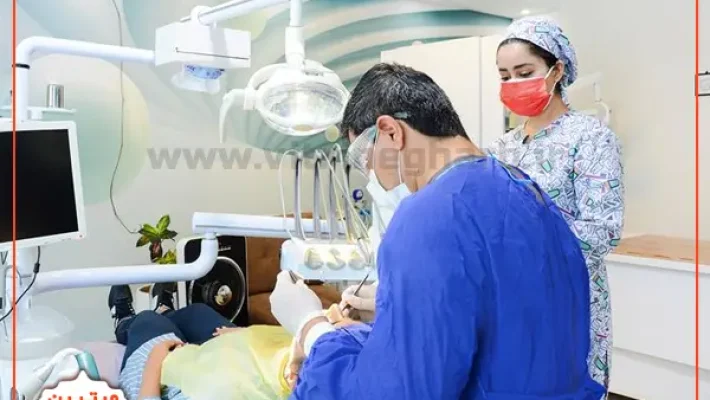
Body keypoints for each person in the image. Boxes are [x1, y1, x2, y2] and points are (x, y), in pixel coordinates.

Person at [268, 62, 606, 399]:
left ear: (390, 131)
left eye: (363, 159)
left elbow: (397, 393)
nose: (371, 176)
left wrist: (310, 327)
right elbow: (504, 320)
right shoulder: (526, 190)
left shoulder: (427, 216)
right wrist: (395, 308)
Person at [487, 16, 625, 392]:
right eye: (504, 76)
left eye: (524, 72)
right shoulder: (502, 148)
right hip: (511, 299)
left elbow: (602, 231)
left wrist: (526, 241)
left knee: (565, 386)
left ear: (557, 70)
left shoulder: (591, 138)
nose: (513, 84)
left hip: (567, 299)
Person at [107, 284, 356, 400]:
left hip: (168, 381)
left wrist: (155, 360)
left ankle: (126, 322)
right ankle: (165, 311)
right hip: (246, 365)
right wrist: (247, 337)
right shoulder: (345, 370)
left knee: (148, 322)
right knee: (198, 313)